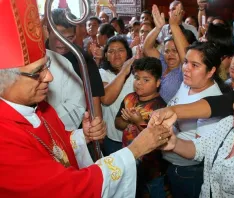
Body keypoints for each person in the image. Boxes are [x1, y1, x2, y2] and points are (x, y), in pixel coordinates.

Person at [0, 0, 171, 197]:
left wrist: (83, 136)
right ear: (5, 80)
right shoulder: (4, 143)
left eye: (46, 65)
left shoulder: (38, 108)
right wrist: (136, 150)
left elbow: (56, 145)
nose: (49, 76)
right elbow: (70, 188)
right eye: (37, 72)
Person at [164, 42, 224, 198]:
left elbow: (200, 151)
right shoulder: (187, 83)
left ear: (211, 71)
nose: (186, 68)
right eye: (185, 62)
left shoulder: (212, 103)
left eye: (195, 65)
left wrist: (170, 140)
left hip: (188, 172)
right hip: (171, 164)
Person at [115, 57, 167, 197]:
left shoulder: (160, 107)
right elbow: (117, 123)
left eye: (146, 80)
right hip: (130, 159)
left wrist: (138, 121)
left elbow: (159, 138)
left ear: (157, 83)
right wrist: (129, 121)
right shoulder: (129, 98)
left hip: (152, 166)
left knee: (155, 191)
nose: (139, 83)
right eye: (137, 77)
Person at [47, 9, 104, 120]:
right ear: (48, 31)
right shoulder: (38, 55)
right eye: (58, 37)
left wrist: (96, 131)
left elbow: (94, 102)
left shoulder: (83, 60)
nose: (63, 43)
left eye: (69, 38)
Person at [99, 35, 135, 156]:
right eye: (111, 51)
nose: (116, 55)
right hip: (112, 138)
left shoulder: (137, 74)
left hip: (135, 136)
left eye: (121, 50)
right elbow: (106, 99)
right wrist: (124, 71)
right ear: (106, 56)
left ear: (128, 53)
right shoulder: (102, 73)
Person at [143, 4, 186, 103]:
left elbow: (186, 56)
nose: (170, 54)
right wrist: (157, 28)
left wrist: (174, 25)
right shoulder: (162, 62)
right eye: (167, 51)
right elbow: (147, 48)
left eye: (175, 51)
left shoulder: (183, 71)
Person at [46, 49, 86, 130]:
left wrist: (49, 122)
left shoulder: (60, 62)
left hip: (56, 131)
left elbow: (77, 101)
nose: (49, 77)